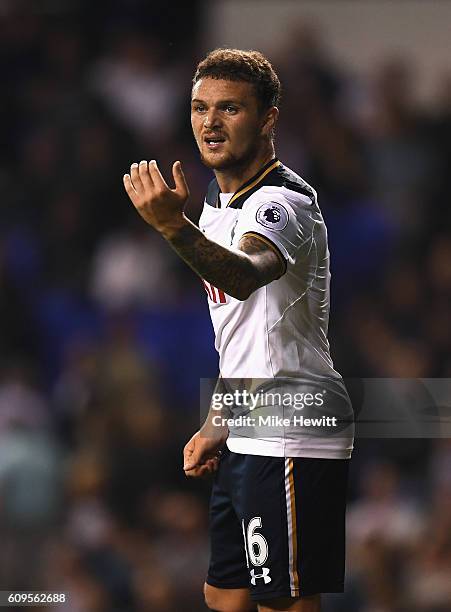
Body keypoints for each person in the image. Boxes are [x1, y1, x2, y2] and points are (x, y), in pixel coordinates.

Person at [123, 48, 354, 612]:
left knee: (286, 602)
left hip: (293, 427)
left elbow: (246, 277)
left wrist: (171, 229)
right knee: (223, 595)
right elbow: (245, 339)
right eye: (200, 108)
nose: (209, 123)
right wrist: (216, 423)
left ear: (268, 118)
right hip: (253, 423)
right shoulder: (213, 202)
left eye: (230, 109)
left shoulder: (283, 202)